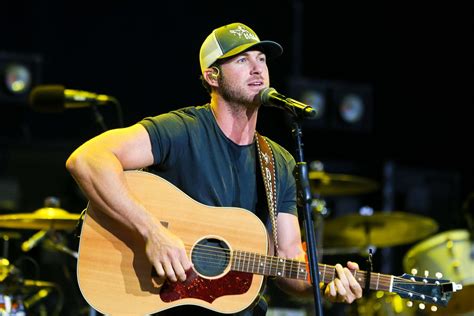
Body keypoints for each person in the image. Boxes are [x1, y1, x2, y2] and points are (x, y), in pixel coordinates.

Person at [66, 22, 362, 315]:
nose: (257, 68)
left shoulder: (278, 162)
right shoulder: (182, 131)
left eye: (261, 59)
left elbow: (288, 259)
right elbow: (88, 159)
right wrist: (153, 233)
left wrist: (323, 288)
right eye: (242, 59)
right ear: (212, 76)